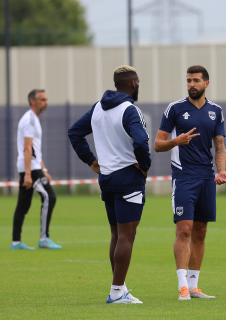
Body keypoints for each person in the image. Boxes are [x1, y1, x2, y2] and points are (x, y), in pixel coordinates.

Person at [68, 66, 151, 304]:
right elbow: (141, 140)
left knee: (116, 234)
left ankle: (120, 288)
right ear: (134, 83)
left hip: (106, 178)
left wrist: (92, 161)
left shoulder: (98, 108)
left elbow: (75, 132)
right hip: (128, 177)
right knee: (127, 236)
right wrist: (145, 166)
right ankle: (116, 292)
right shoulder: (129, 109)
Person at [154, 65, 226, 300]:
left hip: (206, 177)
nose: (191, 84)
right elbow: (157, 144)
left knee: (201, 232)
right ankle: (182, 286)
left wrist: (222, 170)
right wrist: (177, 141)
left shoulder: (216, 111)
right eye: (188, 80)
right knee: (184, 229)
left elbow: (219, 146)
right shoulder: (174, 109)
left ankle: (195, 287)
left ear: (207, 83)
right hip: (183, 177)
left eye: (196, 80)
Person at [11, 89, 61, 250]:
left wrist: (43, 168)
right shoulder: (30, 120)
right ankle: (44, 238)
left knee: (23, 205)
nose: (46, 102)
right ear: (33, 101)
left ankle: (16, 242)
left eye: (46, 99)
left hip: (32, 166)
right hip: (30, 168)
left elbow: (34, 148)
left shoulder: (34, 119)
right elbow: (27, 149)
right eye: (42, 100)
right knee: (49, 197)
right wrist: (27, 174)